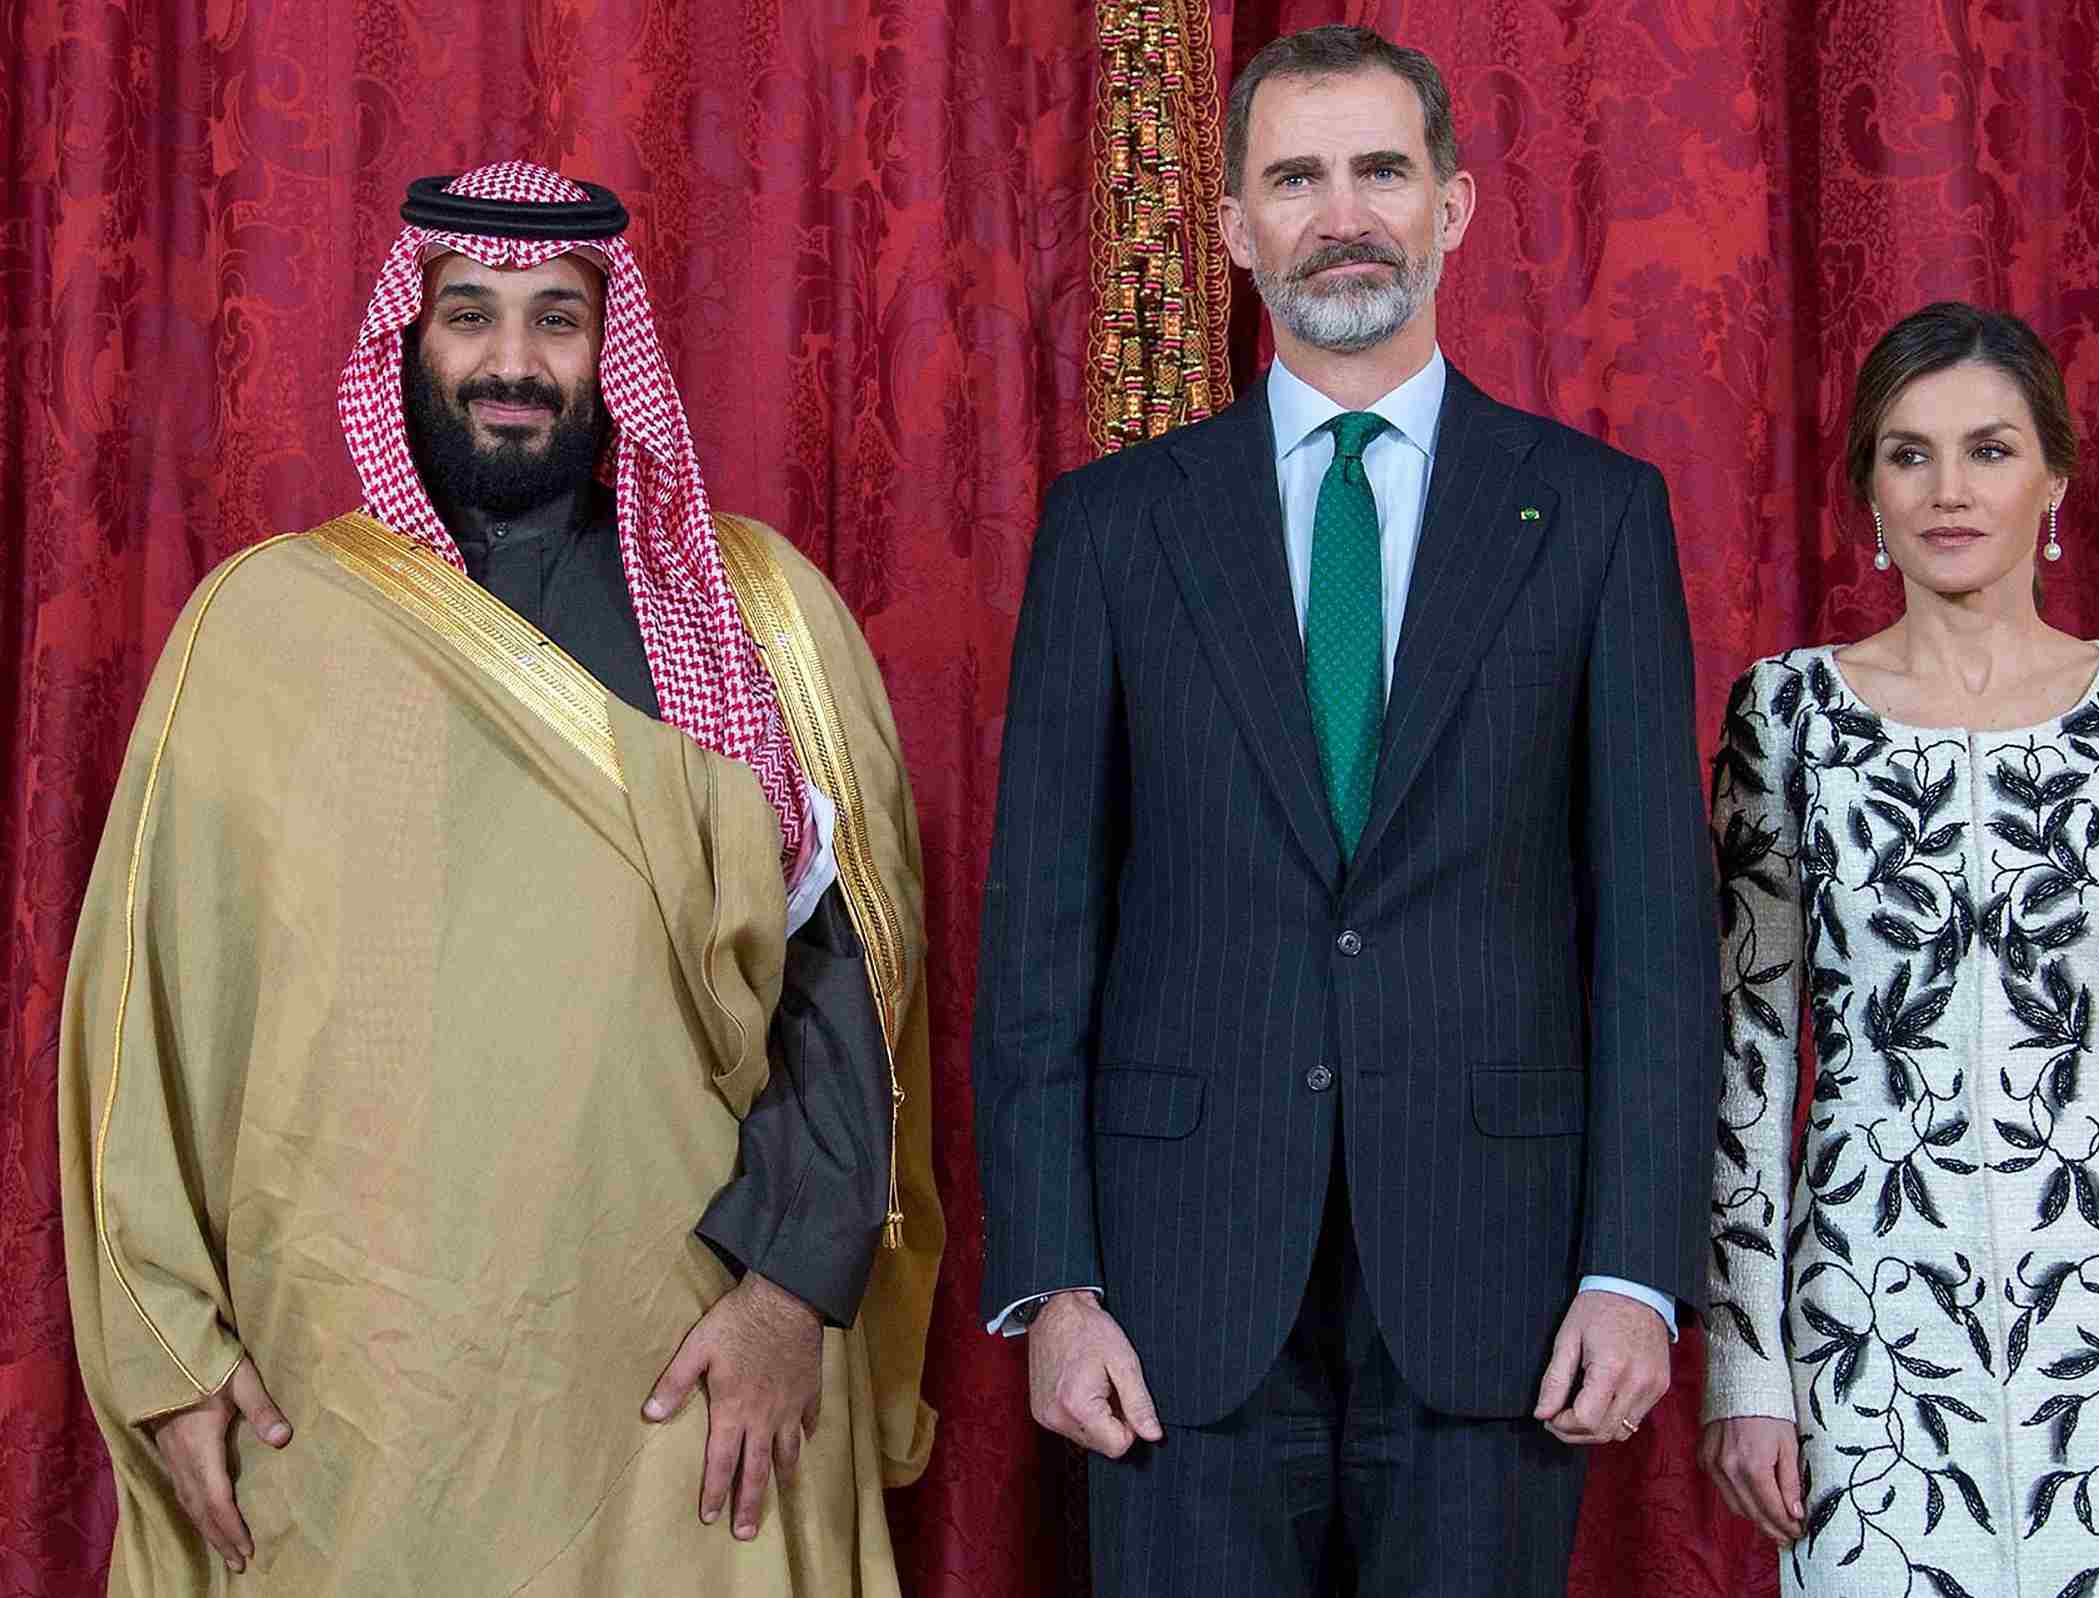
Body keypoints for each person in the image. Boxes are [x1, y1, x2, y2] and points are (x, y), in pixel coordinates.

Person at [57, 162, 942, 1595]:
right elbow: (136, 1028)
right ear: (411, 341)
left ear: (614, 349)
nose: (512, 362)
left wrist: (789, 1289)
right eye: (469, 315)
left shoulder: (750, 614)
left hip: (687, 1367)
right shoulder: (261, 629)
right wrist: (168, 1354)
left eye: (558, 320)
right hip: (350, 1384)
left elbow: (845, 988)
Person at [973, 26, 1719, 1597]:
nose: (1342, 216)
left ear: (1452, 205)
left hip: (1500, 1291)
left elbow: (1655, 930)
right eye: (1295, 178)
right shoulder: (1111, 527)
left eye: (1381, 170)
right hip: (1171, 1306)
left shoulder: (1595, 516)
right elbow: (1039, 930)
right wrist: (1051, 1281)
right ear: (1234, 228)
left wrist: (1634, 1267)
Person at [1698, 302, 2099, 1595]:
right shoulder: (1787, 714)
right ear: (1867, 490)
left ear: (2053, 480)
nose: (1948, 490)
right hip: (1865, 1318)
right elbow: (1745, 1060)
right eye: (1908, 453)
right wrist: (1745, 1368)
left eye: (1988, 449)